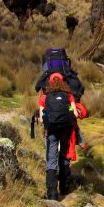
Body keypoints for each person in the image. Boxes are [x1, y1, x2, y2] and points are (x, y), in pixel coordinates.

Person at [37, 72, 88, 200]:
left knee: (51, 158)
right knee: (64, 155)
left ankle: (52, 193)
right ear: (63, 81)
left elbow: (41, 119)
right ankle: (64, 187)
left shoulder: (44, 97)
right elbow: (75, 114)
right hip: (66, 130)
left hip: (52, 131)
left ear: (49, 82)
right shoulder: (69, 95)